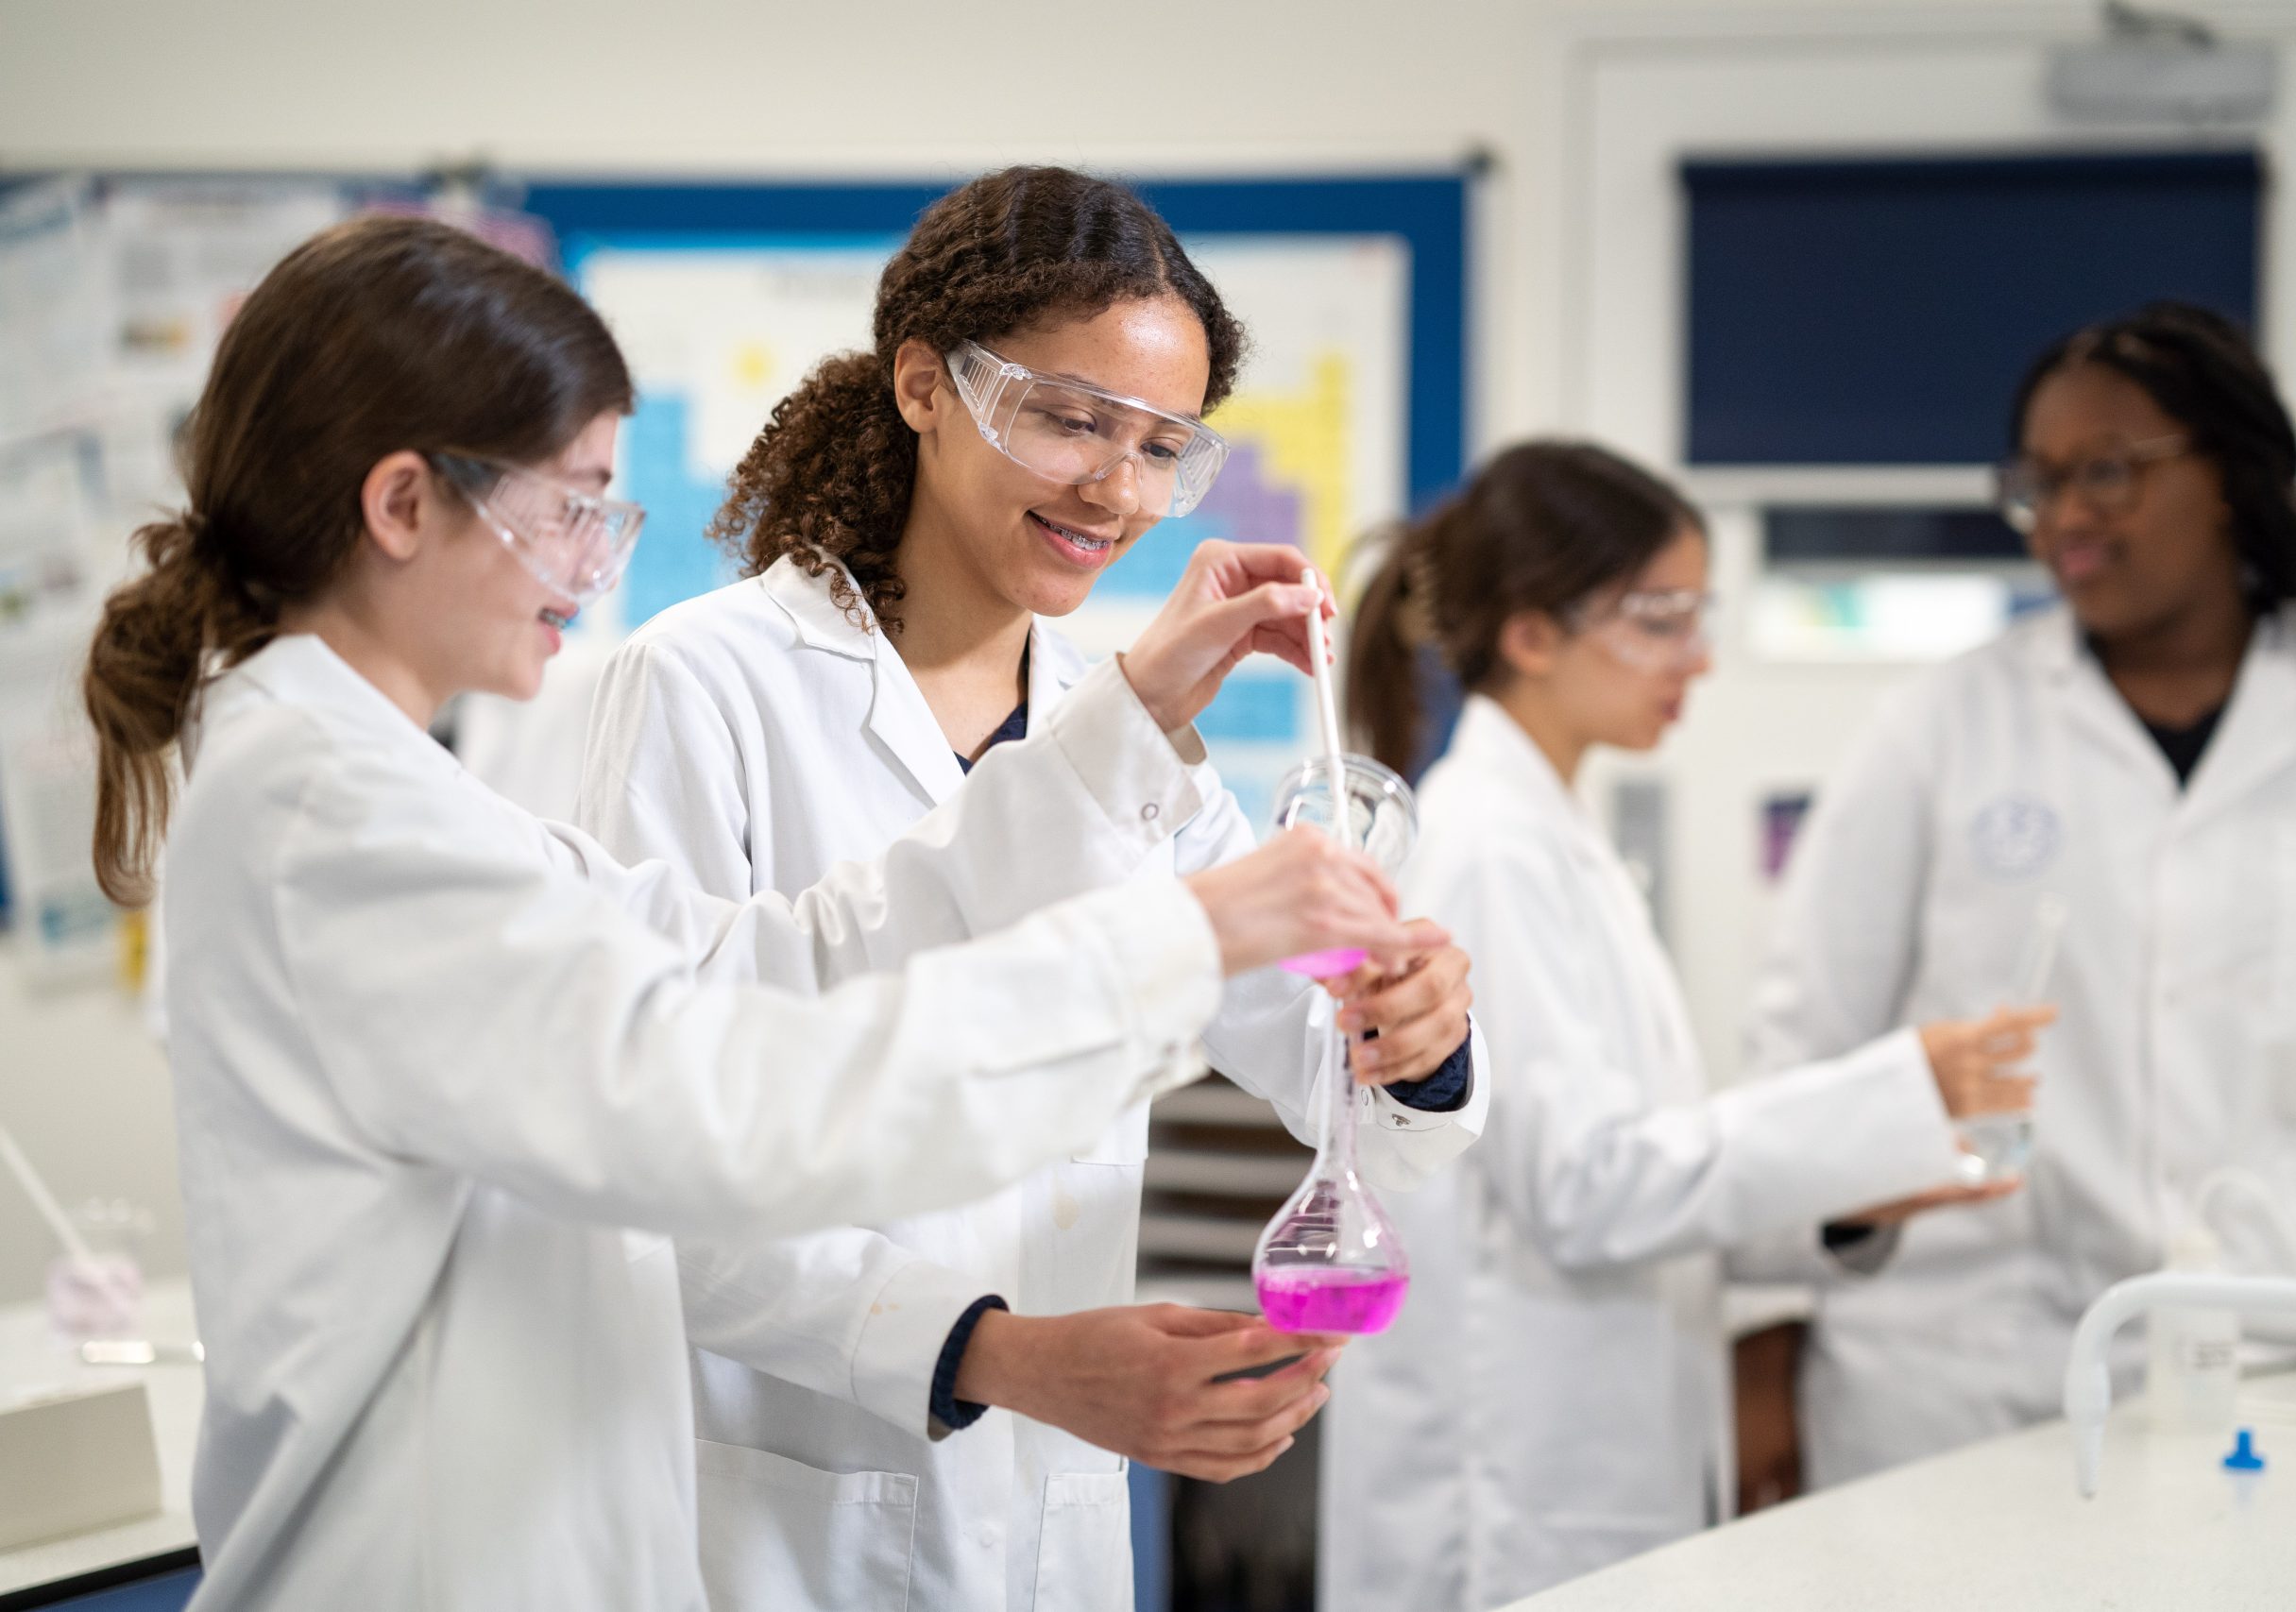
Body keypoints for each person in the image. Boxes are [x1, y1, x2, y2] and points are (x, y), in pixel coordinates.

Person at [79, 214, 1417, 1612]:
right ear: (404, 505)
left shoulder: (401, 799)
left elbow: (778, 961)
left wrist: (1122, 732)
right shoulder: (338, 820)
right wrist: (1176, 942)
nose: (593, 565)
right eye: (571, 505)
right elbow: (733, 1109)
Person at [575, 165, 1486, 1612]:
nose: (1115, 488)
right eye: (1070, 418)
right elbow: (641, 1166)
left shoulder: (1127, 740)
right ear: (923, 385)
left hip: (1054, 1520)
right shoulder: (707, 685)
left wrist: (1416, 1041)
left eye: (1160, 445)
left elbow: (1343, 1094)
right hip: (785, 1529)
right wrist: (994, 1351)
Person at [1317, 441, 2047, 1612]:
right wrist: (1887, 1101)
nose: (1697, 657)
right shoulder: (1491, 849)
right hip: (1503, 1501)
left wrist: (1854, 1191)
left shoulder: (1558, 838)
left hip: (1571, 1464)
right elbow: (1588, 1190)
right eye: (1659, 618)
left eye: (1697, 617)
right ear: (1532, 634)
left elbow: (1632, 1182)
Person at [1750, 301, 2296, 1486]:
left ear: (2230, 478)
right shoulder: (1940, 729)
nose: (2064, 517)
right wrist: (1771, 1326)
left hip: (2276, 1364)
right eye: (2039, 483)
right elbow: (1803, 1052)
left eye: (2106, 472)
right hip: (1958, 1378)